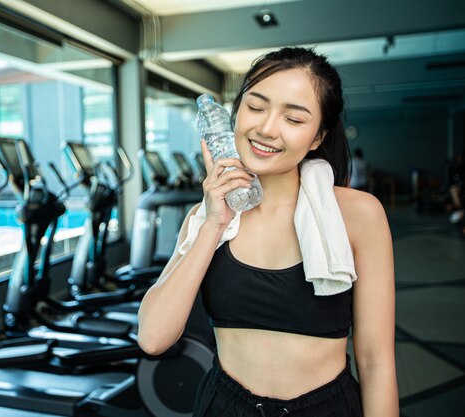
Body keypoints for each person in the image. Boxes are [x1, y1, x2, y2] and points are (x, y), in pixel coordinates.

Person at [137, 47, 398, 417]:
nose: (266, 128)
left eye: (293, 119)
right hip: (225, 406)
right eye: (256, 107)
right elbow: (153, 338)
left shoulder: (358, 214)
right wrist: (214, 222)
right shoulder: (204, 216)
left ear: (318, 136)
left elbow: (375, 361)